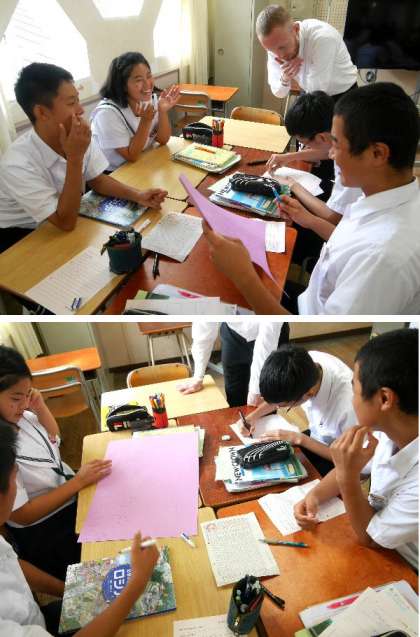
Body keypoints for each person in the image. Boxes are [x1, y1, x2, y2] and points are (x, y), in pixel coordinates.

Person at [203, 82, 420, 315]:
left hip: (304, 313)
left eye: (336, 145)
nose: (331, 154)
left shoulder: (382, 259)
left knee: (218, 298)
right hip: (311, 297)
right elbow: (350, 241)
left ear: (377, 154)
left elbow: (314, 329)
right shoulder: (384, 198)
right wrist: (307, 219)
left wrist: (244, 277)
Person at [0, 421, 159, 636]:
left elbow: (13, 565)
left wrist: (70, 591)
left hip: (37, 618)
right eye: (14, 473)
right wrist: (137, 582)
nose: (17, 472)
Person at [0, 62, 167, 253]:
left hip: (65, 214)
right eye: (72, 103)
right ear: (42, 112)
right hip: (21, 235)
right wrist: (75, 157)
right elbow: (65, 222)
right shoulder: (17, 164)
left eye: (78, 100)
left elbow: (97, 179)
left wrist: (138, 195)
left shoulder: (75, 133)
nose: (80, 110)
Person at [294, 328, 418, 570]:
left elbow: (370, 538)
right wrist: (314, 496)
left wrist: (347, 477)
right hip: (381, 538)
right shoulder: (386, 432)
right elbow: (360, 468)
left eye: (355, 389)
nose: (352, 399)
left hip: (405, 565)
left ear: (384, 399)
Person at [0, 345, 112, 580]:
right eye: (16, 398)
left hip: (68, 495)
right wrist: (77, 483)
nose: (24, 404)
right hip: (46, 529)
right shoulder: (4, 447)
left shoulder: (22, 416)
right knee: (92, 570)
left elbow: (53, 438)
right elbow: (22, 515)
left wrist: (40, 407)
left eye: (28, 394)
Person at [237, 344, 355, 475]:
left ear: (309, 394)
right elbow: (279, 398)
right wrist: (251, 417)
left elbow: (357, 465)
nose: (277, 406)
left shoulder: (348, 406)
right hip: (315, 437)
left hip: (338, 458)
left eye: (283, 406)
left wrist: (300, 439)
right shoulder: (303, 363)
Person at [91, 51, 180, 171]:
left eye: (149, 76)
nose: (147, 84)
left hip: (141, 163)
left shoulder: (147, 99)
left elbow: (163, 139)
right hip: (114, 173)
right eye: (138, 80)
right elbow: (131, 155)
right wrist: (146, 121)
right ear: (123, 85)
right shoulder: (106, 114)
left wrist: (162, 111)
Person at [256, 4, 357, 103]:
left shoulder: (323, 39)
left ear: (296, 29)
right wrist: (285, 78)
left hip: (344, 95)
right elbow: (278, 92)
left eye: (282, 47)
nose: (280, 56)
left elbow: (317, 92)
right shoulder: (275, 44)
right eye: (271, 50)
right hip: (310, 91)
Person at [177, 322, 289, 407]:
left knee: (266, 395)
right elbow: (204, 326)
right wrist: (198, 376)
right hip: (233, 335)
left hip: (273, 336)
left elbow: (267, 339)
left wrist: (256, 390)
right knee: (234, 396)